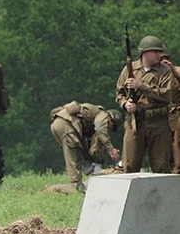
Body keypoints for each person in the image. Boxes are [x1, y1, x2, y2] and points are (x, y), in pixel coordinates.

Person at [115, 35, 175, 174]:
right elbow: (119, 94)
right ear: (145, 53)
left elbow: (166, 95)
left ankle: (162, 195)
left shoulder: (164, 71)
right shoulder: (129, 70)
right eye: (156, 52)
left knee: (161, 165)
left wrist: (142, 86)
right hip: (135, 122)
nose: (160, 55)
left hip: (158, 122)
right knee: (130, 164)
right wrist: (125, 104)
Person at [49, 102, 122, 191]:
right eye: (111, 126)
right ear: (110, 117)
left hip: (56, 124)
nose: (109, 128)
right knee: (73, 155)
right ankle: (75, 186)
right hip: (66, 124)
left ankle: (75, 183)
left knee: (75, 153)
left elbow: (86, 144)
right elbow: (100, 130)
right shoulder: (102, 114)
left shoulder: (91, 118)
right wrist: (111, 149)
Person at [160, 51, 180, 173]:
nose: (164, 61)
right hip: (159, 115)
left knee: (176, 144)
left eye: (166, 58)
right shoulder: (153, 73)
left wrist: (174, 72)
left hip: (176, 114)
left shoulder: (176, 71)